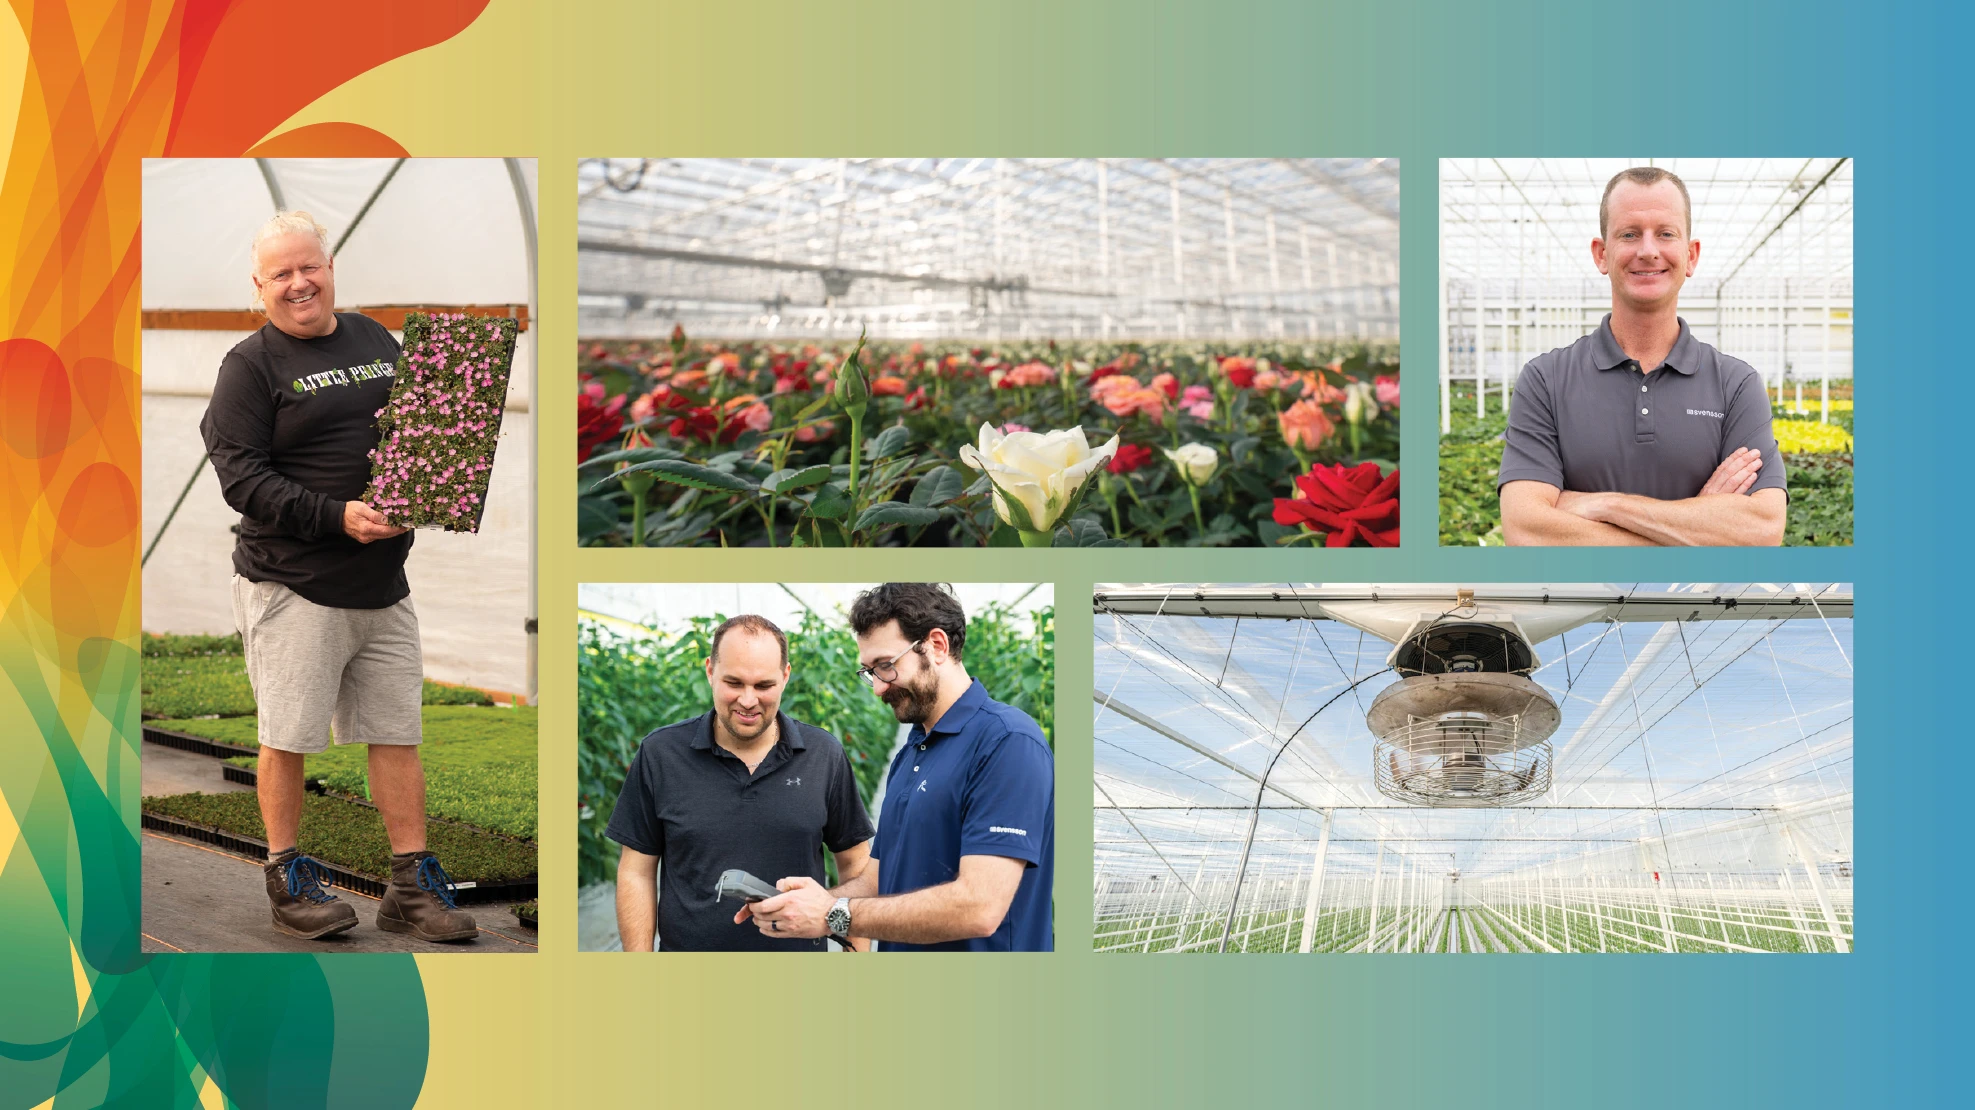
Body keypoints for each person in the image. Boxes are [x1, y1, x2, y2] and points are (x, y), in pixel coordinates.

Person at [201, 211, 476, 943]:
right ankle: (287, 879)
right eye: (281, 274)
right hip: (295, 584)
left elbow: (415, 431)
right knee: (286, 736)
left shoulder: (372, 337)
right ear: (258, 286)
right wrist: (335, 516)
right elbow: (241, 479)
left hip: (384, 583)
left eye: (309, 267)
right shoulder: (248, 367)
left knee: (396, 733)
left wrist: (434, 479)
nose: (300, 283)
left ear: (330, 267)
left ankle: (412, 888)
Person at [743, 584, 1054, 952]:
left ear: (936, 646)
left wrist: (833, 913)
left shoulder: (1006, 741)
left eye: (886, 666)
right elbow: (879, 878)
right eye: (869, 671)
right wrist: (812, 901)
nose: (877, 687)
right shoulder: (912, 751)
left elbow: (979, 907)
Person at [1498, 166, 1787, 546]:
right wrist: (1696, 528)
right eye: (1629, 234)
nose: (1648, 251)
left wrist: (1606, 505)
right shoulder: (1545, 379)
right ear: (1602, 255)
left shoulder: (1735, 383)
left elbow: (1762, 530)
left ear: (1691, 255)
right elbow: (1526, 531)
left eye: (1665, 234)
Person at [607, 615, 874, 951]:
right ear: (709, 671)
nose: (748, 701)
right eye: (734, 683)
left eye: (764, 686)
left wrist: (857, 954)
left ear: (786, 676)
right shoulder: (661, 754)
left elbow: (854, 864)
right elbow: (636, 871)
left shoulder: (824, 754)